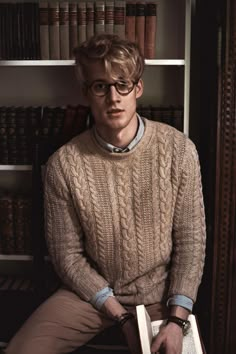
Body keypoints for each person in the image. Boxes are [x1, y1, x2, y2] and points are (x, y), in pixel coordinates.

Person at [6, 34, 206, 354]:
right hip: (90, 296)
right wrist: (122, 317)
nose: (113, 96)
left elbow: (191, 244)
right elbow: (67, 256)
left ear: (137, 88)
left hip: (160, 296)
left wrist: (176, 320)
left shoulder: (179, 151)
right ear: (87, 93)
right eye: (101, 86)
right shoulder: (64, 164)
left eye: (122, 83)